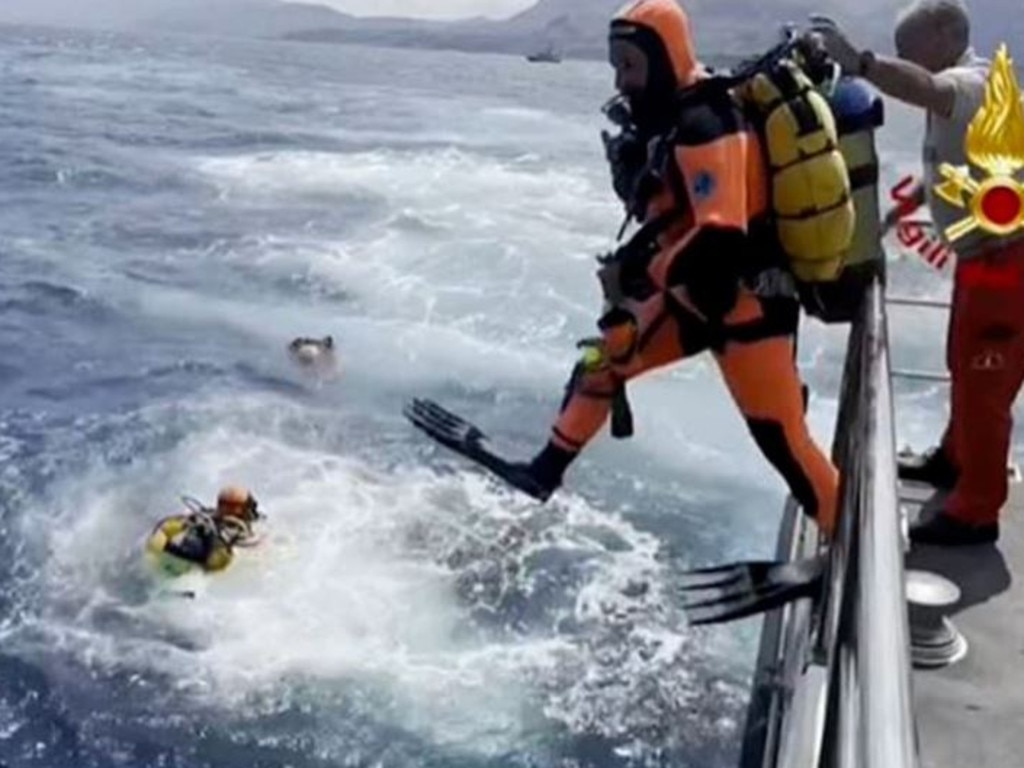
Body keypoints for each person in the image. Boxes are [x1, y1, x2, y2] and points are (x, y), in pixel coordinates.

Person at [407, 0, 840, 539]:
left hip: (747, 304)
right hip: (699, 298)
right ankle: (543, 473)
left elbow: (721, 234)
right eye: (618, 66)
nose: (622, 79)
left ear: (665, 56)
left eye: (630, 65)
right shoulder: (677, 116)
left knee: (782, 439)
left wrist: (645, 271)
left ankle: (840, 536)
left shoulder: (707, 122)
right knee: (600, 362)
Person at [811, 1, 1024, 545]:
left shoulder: (970, 84)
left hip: (1005, 266)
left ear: (944, 36)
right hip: (983, 262)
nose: (905, 58)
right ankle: (954, 461)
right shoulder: (966, 98)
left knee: (985, 381)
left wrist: (862, 62)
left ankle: (975, 512)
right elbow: (949, 171)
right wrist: (897, 213)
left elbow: (926, 90)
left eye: (909, 49)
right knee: (965, 366)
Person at [146, 486, 263, 574]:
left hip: (174, 555)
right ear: (238, 510)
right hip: (194, 563)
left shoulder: (202, 517)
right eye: (247, 506)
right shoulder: (233, 532)